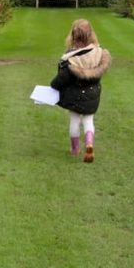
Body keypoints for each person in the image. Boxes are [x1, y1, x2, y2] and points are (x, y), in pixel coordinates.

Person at [50, 18, 111, 163]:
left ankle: (75, 149)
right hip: (93, 95)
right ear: (90, 35)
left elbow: (61, 80)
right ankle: (89, 143)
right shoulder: (99, 53)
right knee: (89, 120)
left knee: (75, 120)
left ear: (73, 36)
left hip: (74, 96)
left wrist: (52, 86)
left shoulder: (71, 59)